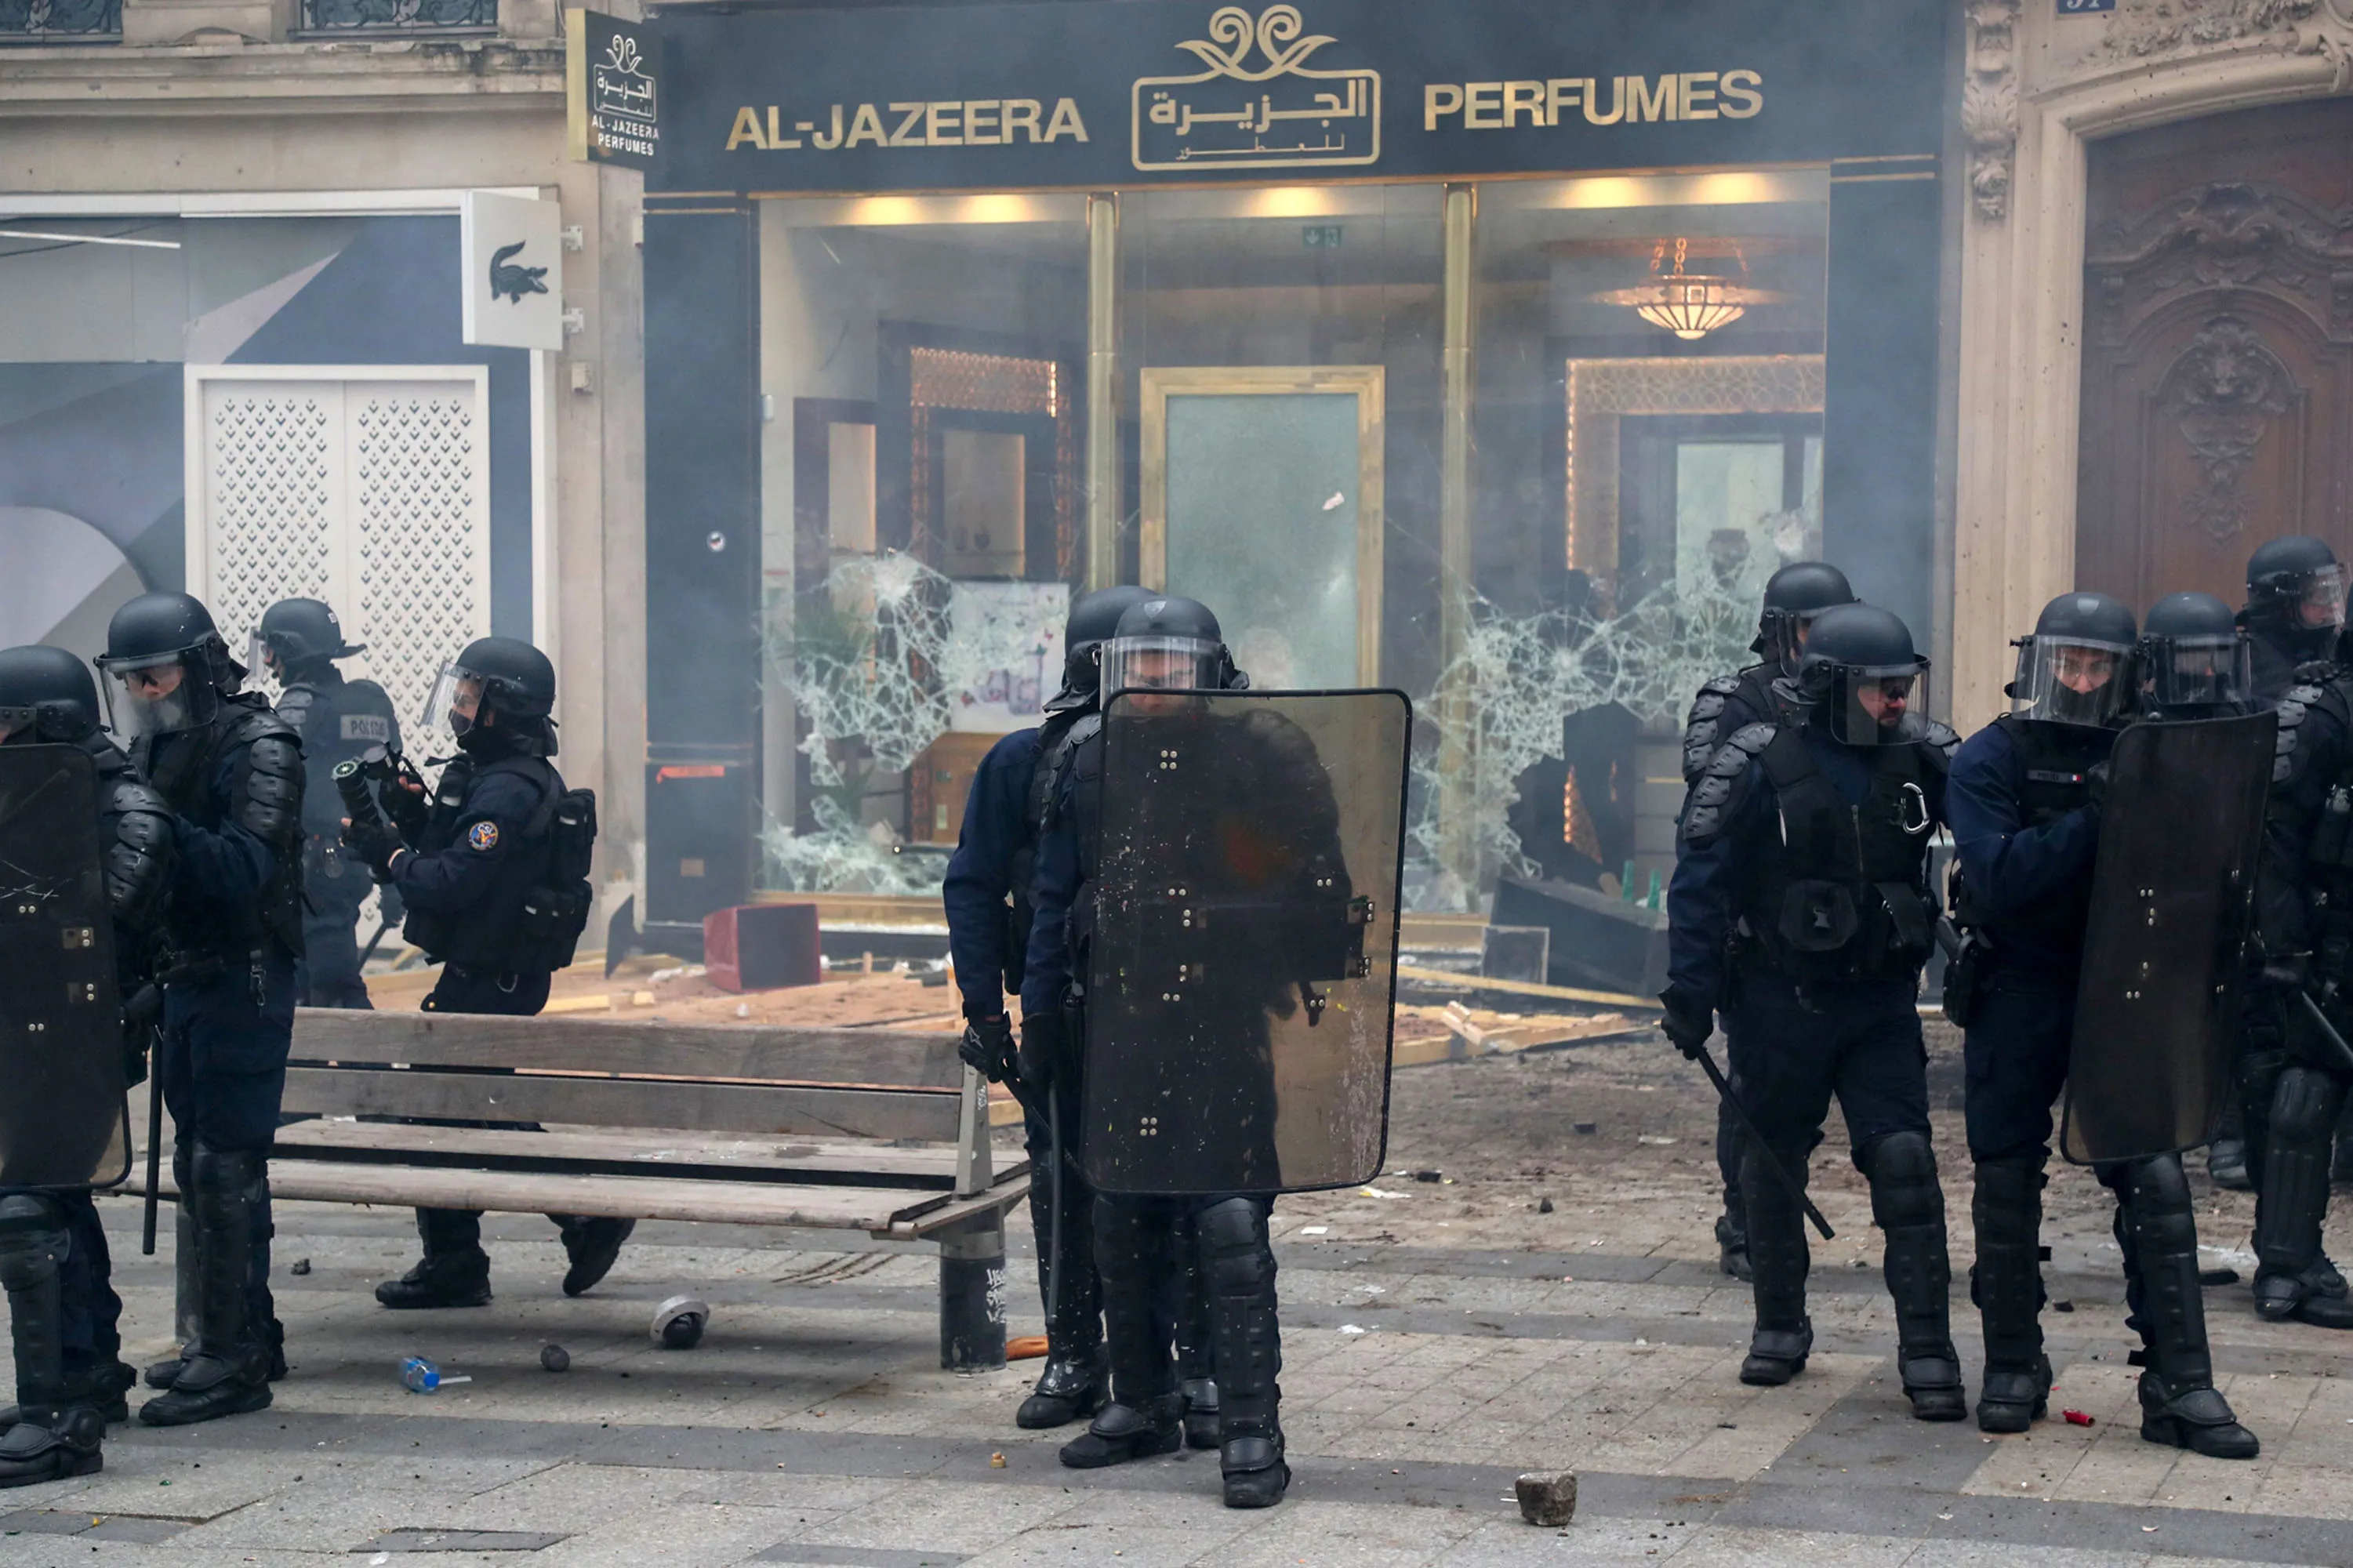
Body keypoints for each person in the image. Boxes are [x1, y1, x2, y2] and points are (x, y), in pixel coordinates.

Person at [1946, 591, 2257, 1455]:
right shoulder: (1989, 756)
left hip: (2123, 985)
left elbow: (2204, 866)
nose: (2082, 680)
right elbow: (1999, 876)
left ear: (2127, 673)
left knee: (2153, 1177)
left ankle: (2180, 1384)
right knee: (2006, 1175)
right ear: (2038, 663)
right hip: (2019, 984)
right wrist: (2096, 819)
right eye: (2069, 662)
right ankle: (2013, 1360)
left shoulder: (2156, 751)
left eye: (2098, 665)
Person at [1022, 596, 1301, 1508]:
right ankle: (1141, 1401)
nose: (1149, 683)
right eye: (1134, 666)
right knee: (1120, 1216)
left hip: (1222, 1027)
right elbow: (1056, 903)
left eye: (1169, 666)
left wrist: (1236, 925)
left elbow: (1311, 889)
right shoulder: (1091, 760)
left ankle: (1251, 1426)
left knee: (1225, 1222)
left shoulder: (1261, 760)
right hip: (1122, 1024)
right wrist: (1038, 1018)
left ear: (1209, 672)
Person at [1661, 602, 1965, 1422]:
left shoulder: (1926, 759)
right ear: (1833, 687)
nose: (1898, 700)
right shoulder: (1759, 761)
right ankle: (1779, 1323)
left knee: (1904, 1162)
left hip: (1879, 1004)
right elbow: (1699, 879)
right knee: (1769, 1168)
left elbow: (1989, 853)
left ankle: (1928, 1346)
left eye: (1904, 685)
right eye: (1880, 689)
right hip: (1776, 1001)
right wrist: (1688, 991)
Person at [942, 583, 1175, 1434]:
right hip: (1066, 1010)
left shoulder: (1194, 753)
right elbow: (973, 886)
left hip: (1171, 1008)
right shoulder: (1023, 758)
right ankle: (1077, 1354)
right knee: (1061, 1186)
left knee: (1178, 1186)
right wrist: (988, 1011)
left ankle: (1173, 1366)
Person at [340, 636, 615, 1308]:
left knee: (455, 1109)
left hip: (495, 977)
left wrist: (393, 854)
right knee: (453, 1109)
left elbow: (455, 880)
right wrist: (409, 815)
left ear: (503, 708)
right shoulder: (493, 776)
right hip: (488, 972)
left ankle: (575, 1217)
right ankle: (467, 1256)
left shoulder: (511, 788)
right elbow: (454, 851)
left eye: (470, 696)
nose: (459, 707)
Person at [96, 593, 304, 1428]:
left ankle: (233, 1358)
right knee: (200, 1164)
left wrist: (155, 821)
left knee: (224, 1163)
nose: (148, 694)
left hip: (244, 975)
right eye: (132, 682)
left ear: (205, 666)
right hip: (186, 978)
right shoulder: (155, 750)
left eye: (158, 676)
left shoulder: (262, 744)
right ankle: (241, 1327)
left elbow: (246, 865)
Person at [0, 646, 176, 1486]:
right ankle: (87, 1372)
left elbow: (107, 922)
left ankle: (58, 1408)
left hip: (83, 1034)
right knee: (57, 1196)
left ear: (47, 722)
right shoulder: (29, 793)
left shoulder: (127, 805)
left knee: (30, 1205)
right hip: (29, 1030)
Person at [1677, 560, 1859, 1283]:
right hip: (1757, 923)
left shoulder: (1857, 695)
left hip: (1838, 924)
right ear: (1781, 631)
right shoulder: (1733, 701)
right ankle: (1746, 1220)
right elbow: (1704, 823)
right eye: (1812, 629)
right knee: (1758, 1091)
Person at [2215, 541, 2353, 1191]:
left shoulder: (2326, 660)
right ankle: (2233, 1136)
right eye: (2314, 595)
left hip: (2310, 862)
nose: (2328, 607)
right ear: (2278, 600)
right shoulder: (2243, 664)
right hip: (2245, 851)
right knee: (2254, 1010)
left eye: (2333, 592)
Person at [2243, 582, 2353, 1330]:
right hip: (2334, 934)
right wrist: (2283, 942)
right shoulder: (2331, 713)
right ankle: (2284, 1264)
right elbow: (2276, 835)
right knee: (2305, 1092)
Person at [250, 599, 402, 1009]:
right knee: (307, 987)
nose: (268, 660)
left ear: (292, 650)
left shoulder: (301, 706)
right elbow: (394, 789)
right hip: (359, 859)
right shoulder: (369, 702)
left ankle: (368, 1073)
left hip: (315, 869)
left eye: (272, 650)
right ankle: (310, 1070)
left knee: (332, 987)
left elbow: (271, 780)